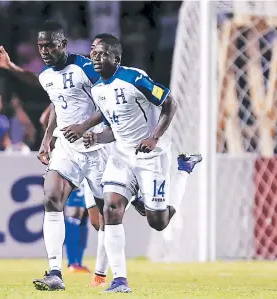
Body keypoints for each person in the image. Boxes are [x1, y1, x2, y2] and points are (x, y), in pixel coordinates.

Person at [0, 21, 144, 291]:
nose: (44, 50)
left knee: (106, 216)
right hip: (68, 148)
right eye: (40, 46)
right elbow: (56, 102)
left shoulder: (84, 67)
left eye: (49, 45)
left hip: (98, 147)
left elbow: (109, 98)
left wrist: (87, 127)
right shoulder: (48, 75)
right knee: (51, 196)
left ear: (63, 44)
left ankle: (118, 277)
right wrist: (48, 139)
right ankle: (55, 272)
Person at [81, 36, 202, 292]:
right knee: (111, 209)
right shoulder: (97, 90)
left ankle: (183, 170)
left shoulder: (135, 79)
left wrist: (153, 137)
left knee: (158, 222)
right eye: (93, 53)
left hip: (152, 157)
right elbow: (115, 129)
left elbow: (170, 103)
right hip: (121, 156)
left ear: (116, 58)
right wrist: (96, 136)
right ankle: (120, 280)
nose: (96, 58)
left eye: (102, 54)